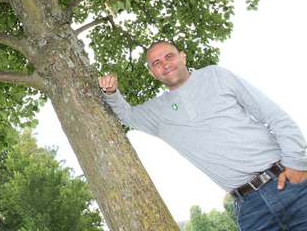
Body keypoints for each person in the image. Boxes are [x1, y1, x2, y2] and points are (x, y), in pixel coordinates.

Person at [98, 41, 307, 231]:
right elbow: (128, 116)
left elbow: (274, 116)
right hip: (250, 208)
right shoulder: (157, 113)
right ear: (153, 74)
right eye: (156, 63)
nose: (164, 64)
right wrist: (111, 93)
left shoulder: (216, 75)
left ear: (183, 57)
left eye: (169, 56)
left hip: (290, 184)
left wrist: (296, 164)